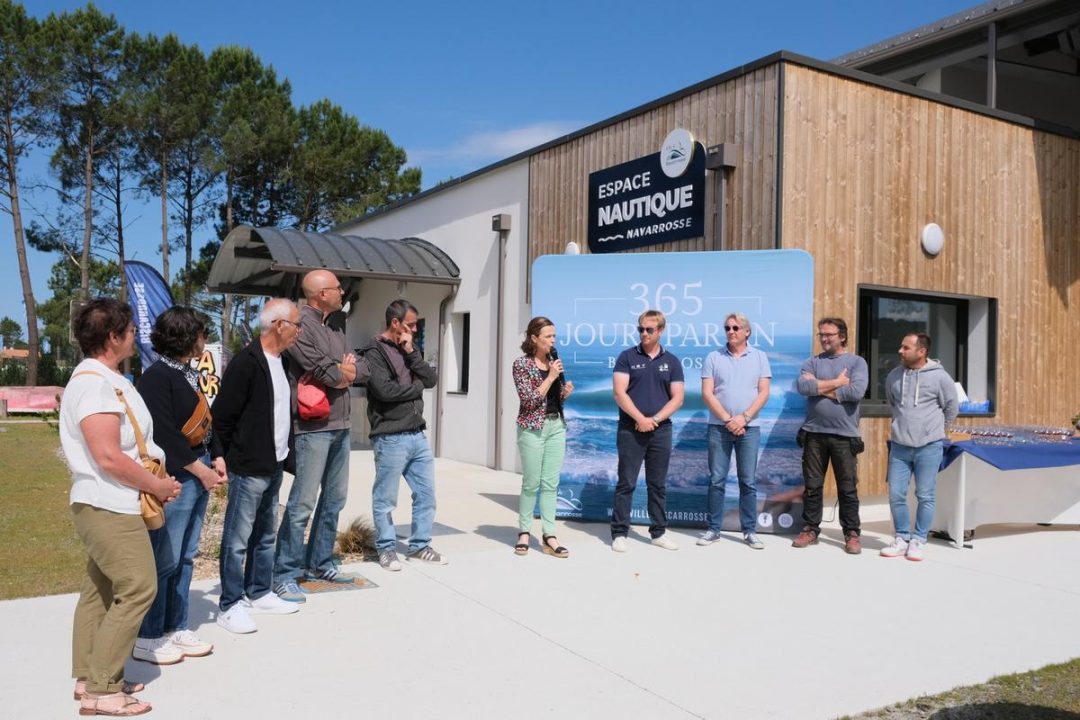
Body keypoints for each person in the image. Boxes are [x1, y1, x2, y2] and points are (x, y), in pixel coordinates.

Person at [62, 298, 181, 717]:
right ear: (113, 337)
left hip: (108, 500)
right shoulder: (94, 385)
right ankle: (103, 688)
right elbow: (109, 456)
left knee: (101, 589)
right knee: (139, 587)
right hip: (108, 502)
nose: (136, 336)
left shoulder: (104, 379)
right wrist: (157, 485)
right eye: (130, 331)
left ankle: (89, 676)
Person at [133, 307, 227, 664]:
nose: (204, 340)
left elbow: (206, 421)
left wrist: (217, 456)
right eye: (201, 333)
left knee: (186, 556)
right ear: (186, 337)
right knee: (165, 558)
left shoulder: (188, 373)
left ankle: (176, 626)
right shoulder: (156, 377)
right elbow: (165, 434)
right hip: (177, 475)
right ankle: (148, 635)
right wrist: (200, 471)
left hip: (198, 469)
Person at [274, 270, 367, 602]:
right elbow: (325, 372)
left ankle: (320, 563)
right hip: (313, 428)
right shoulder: (301, 327)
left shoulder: (336, 327)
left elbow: (363, 369)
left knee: (334, 500)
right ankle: (284, 573)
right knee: (302, 503)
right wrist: (341, 370)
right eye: (338, 288)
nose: (343, 292)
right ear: (321, 294)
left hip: (341, 425)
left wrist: (343, 370)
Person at [213, 299, 302, 634]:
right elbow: (222, 417)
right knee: (237, 539)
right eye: (296, 325)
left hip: (274, 462)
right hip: (248, 466)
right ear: (278, 325)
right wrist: (220, 456)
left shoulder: (284, 362)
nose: (299, 332)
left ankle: (259, 591)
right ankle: (230, 604)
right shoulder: (246, 363)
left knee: (265, 535)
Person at [361, 299, 443, 570]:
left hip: (417, 434)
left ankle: (420, 546)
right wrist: (416, 389)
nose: (415, 330)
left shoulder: (408, 348)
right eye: (411, 325)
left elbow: (431, 379)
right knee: (385, 498)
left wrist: (411, 352)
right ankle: (386, 549)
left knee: (426, 494)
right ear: (395, 323)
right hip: (390, 436)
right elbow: (384, 391)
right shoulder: (373, 351)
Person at [610, 309, 685, 552]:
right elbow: (619, 393)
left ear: (660, 330)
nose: (644, 333)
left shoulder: (672, 361)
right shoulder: (627, 357)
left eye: (649, 329)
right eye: (640, 329)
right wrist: (640, 419)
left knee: (657, 484)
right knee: (626, 482)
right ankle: (619, 533)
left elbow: (678, 398)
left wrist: (654, 420)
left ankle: (658, 533)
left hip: (660, 431)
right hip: (630, 429)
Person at [792, 317, 869, 554]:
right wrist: (837, 382)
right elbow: (803, 388)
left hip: (844, 436)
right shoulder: (812, 362)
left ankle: (852, 533)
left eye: (829, 334)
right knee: (812, 486)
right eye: (821, 334)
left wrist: (819, 387)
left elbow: (855, 392)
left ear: (842, 336)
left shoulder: (856, 363)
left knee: (847, 488)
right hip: (813, 434)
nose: (824, 339)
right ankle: (810, 529)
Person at [880, 332, 958, 561]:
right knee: (896, 494)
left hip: (929, 446)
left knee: (925, 495)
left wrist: (937, 431)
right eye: (901, 347)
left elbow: (951, 407)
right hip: (899, 447)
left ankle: (919, 540)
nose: (900, 351)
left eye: (906, 348)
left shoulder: (940, 377)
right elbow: (893, 404)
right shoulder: (894, 375)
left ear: (922, 351)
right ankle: (902, 538)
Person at [698, 312, 771, 550]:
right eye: (727, 328)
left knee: (747, 482)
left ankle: (749, 531)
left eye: (735, 328)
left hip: (750, 428)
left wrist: (744, 418)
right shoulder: (713, 357)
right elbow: (707, 393)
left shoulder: (760, 357)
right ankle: (713, 529)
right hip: (719, 428)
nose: (730, 331)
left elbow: (764, 392)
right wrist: (729, 419)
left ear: (747, 332)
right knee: (716, 480)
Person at [512, 317, 575, 557]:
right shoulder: (521, 365)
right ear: (534, 338)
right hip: (532, 429)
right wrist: (550, 377)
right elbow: (529, 401)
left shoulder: (553, 362)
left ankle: (550, 534)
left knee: (551, 483)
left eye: (554, 336)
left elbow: (552, 399)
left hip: (556, 425)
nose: (553, 341)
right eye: (548, 336)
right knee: (531, 483)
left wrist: (564, 393)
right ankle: (524, 532)